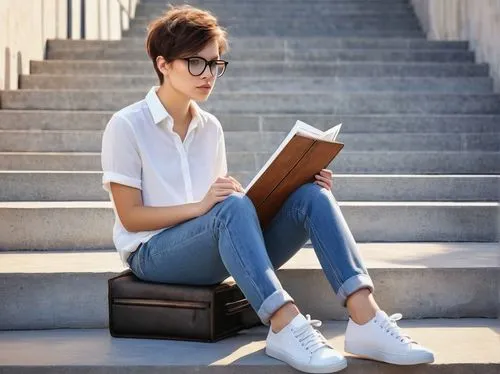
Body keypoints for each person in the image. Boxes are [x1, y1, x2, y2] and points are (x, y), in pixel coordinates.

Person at [100, 4, 435, 373]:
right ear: (163, 64)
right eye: (196, 62)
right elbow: (130, 218)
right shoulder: (127, 125)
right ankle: (284, 324)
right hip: (153, 255)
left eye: (215, 64)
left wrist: (291, 184)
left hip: (205, 249)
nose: (208, 74)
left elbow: (221, 210)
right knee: (231, 207)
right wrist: (201, 207)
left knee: (311, 196)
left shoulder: (210, 128)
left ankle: (366, 319)